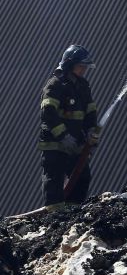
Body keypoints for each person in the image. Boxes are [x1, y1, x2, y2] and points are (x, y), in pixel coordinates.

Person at [38, 45, 102, 208]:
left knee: (82, 177)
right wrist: (63, 136)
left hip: (76, 143)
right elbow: (48, 113)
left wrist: (90, 131)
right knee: (54, 180)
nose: (83, 70)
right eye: (81, 66)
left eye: (85, 67)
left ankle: (73, 212)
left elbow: (90, 111)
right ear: (69, 64)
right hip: (55, 143)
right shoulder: (55, 84)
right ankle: (55, 216)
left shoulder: (82, 85)